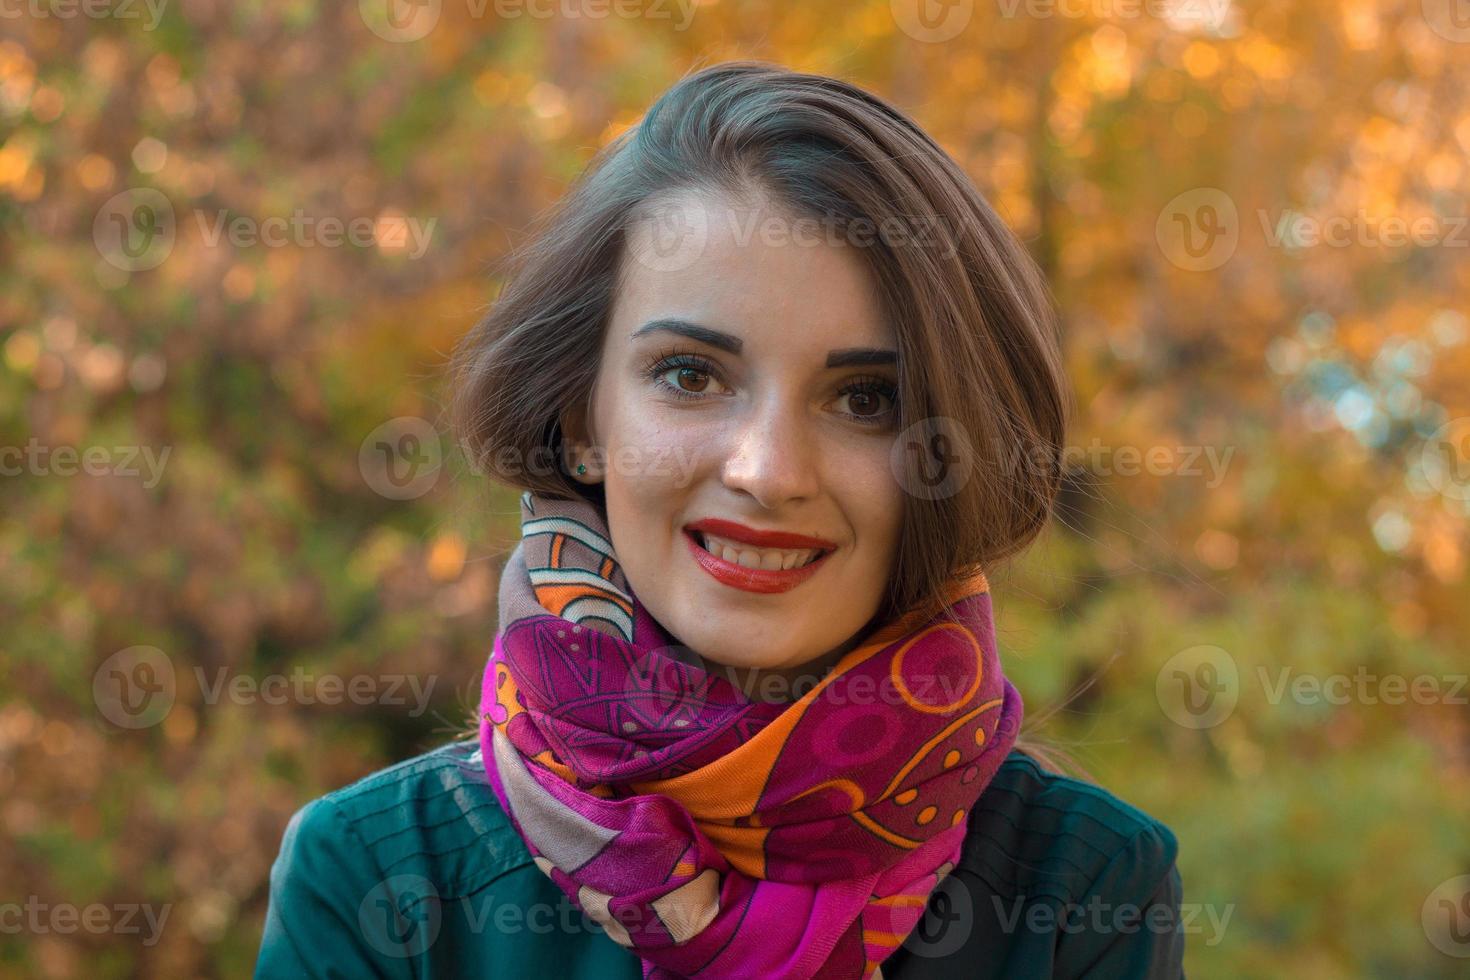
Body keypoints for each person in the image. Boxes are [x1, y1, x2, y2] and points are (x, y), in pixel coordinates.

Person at [256, 60, 1184, 979]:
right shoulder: (377, 879)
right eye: (692, 376)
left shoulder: (1084, 890)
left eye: (865, 399)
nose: (769, 471)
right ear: (582, 420)